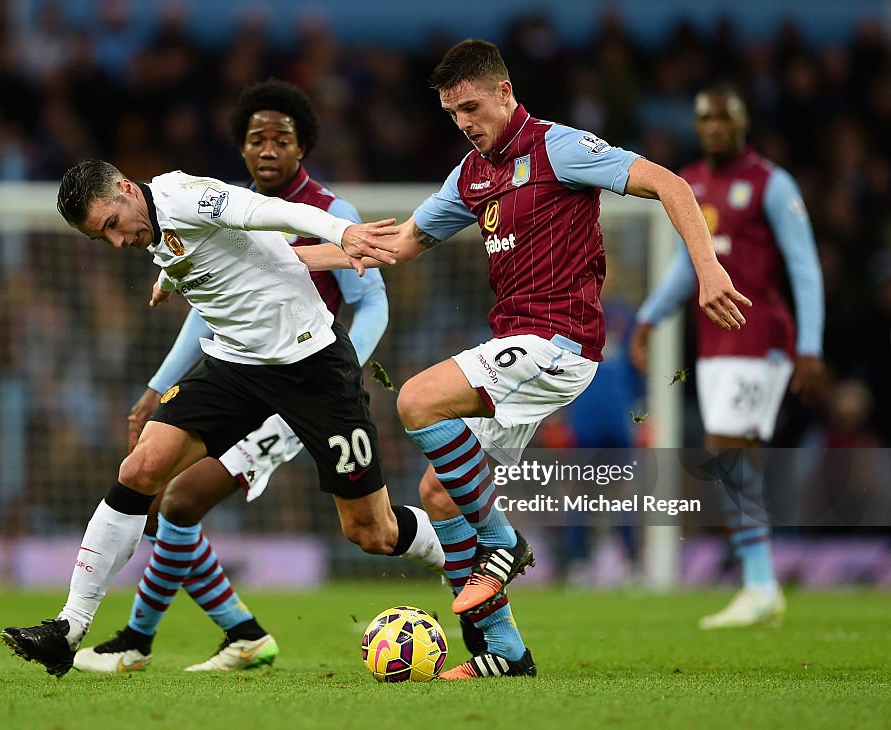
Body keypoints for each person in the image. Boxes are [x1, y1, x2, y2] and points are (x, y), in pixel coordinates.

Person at [295, 39, 749, 679]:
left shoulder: (560, 148)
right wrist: (280, 262)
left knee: (416, 399)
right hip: (521, 345)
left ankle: (504, 542)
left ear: (506, 94)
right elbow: (395, 246)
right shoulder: (470, 175)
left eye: (472, 107)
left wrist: (707, 269)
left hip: (560, 342)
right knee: (440, 493)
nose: (464, 123)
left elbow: (669, 183)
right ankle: (501, 653)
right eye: (453, 113)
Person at [0, 159, 443, 678]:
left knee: (372, 532)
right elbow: (200, 252)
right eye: (104, 238)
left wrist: (344, 231)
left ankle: (468, 549)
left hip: (311, 365)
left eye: (113, 226)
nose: (118, 243)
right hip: (235, 365)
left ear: (125, 189)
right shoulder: (147, 226)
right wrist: (169, 276)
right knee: (140, 471)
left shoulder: (186, 198)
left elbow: (269, 211)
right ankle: (68, 629)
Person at [71, 80, 391, 674]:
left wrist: (353, 376)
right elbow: (212, 312)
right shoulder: (208, 206)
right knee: (174, 497)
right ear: (242, 150)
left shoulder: (329, 211)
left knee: (359, 527)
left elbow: (371, 303)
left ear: (303, 148)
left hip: (311, 377)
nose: (267, 149)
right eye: (255, 139)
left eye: (281, 139)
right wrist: (155, 385)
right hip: (246, 373)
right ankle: (214, 634)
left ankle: (170, 636)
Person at [630, 84, 824, 629]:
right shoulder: (689, 183)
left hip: (760, 338)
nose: (714, 127)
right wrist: (648, 318)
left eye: (724, 118)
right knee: (737, 460)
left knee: (726, 449)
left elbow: (804, 267)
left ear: (743, 124)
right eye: (705, 119)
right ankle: (760, 584)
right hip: (716, 345)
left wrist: (810, 345)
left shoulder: (771, 184)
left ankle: (757, 578)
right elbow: (684, 267)